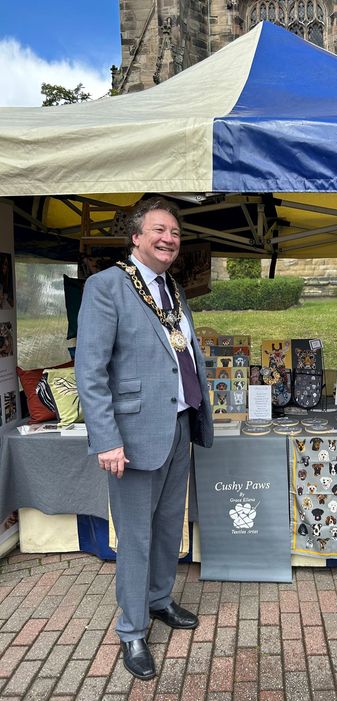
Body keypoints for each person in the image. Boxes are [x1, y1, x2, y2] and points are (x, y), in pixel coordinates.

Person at [75, 198, 213, 680]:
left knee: (167, 527)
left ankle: (158, 601)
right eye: (159, 230)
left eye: (175, 233)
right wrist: (106, 439)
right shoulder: (107, 285)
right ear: (136, 236)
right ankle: (132, 630)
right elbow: (90, 371)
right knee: (134, 537)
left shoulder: (171, 288)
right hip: (131, 437)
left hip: (178, 425)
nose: (169, 239)